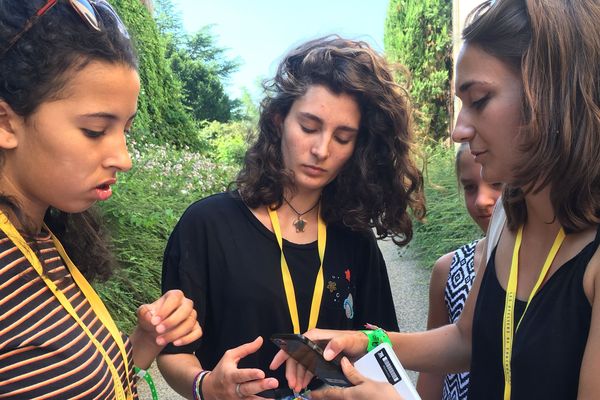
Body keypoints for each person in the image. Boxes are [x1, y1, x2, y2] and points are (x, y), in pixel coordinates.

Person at [272, 1, 600, 399]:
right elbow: (466, 342)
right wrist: (367, 342)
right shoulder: (508, 220)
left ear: (553, 92)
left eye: (478, 100)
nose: (460, 130)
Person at [157, 36, 425, 400]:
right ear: (279, 119)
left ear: (358, 148)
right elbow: (174, 353)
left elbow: (379, 351)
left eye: (342, 137)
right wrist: (206, 387)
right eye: (309, 127)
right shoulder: (207, 225)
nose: (321, 149)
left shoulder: (355, 241)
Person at [0, 1, 202, 398]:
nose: (123, 159)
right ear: (7, 124)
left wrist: (145, 340)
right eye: (95, 130)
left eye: (125, 129)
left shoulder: (41, 238)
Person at [416, 143, 502, 400]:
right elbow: (433, 370)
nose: (481, 201)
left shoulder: (559, 271)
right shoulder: (449, 270)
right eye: (470, 187)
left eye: (496, 183)